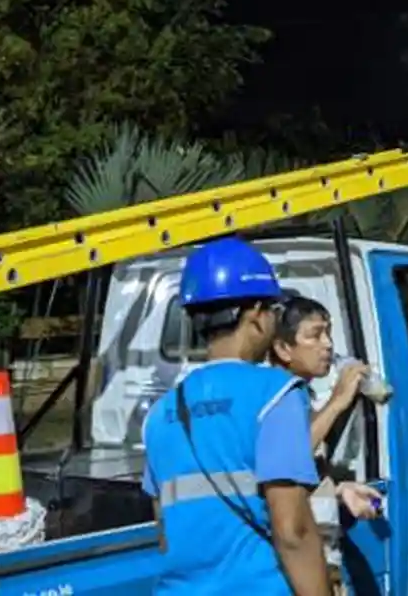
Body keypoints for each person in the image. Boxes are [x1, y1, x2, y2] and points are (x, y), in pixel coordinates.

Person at [141, 237, 330, 595]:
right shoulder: (276, 394)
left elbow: (164, 532)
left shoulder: (162, 412)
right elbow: (292, 531)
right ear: (256, 315)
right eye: (273, 310)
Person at [267, 296, 383, 595]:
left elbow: (299, 476)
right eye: (315, 335)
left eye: (328, 333)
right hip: (302, 569)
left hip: (324, 557)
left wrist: (340, 492)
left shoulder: (301, 398)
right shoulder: (276, 399)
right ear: (282, 348)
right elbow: (291, 456)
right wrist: (337, 402)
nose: (328, 344)